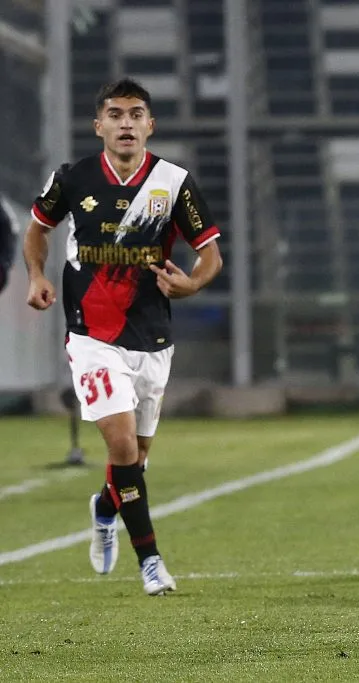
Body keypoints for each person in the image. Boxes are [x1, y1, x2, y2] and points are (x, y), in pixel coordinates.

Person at [24, 78, 223, 593]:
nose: (126, 123)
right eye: (115, 114)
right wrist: (37, 276)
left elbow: (210, 256)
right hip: (91, 336)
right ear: (99, 126)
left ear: (150, 125)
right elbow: (37, 228)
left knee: (134, 461)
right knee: (119, 445)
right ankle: (151, 561)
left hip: (152, 337)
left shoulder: (174, 183)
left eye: (136, 114)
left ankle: (105, 506)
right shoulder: (73, 178)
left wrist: (191, 284)